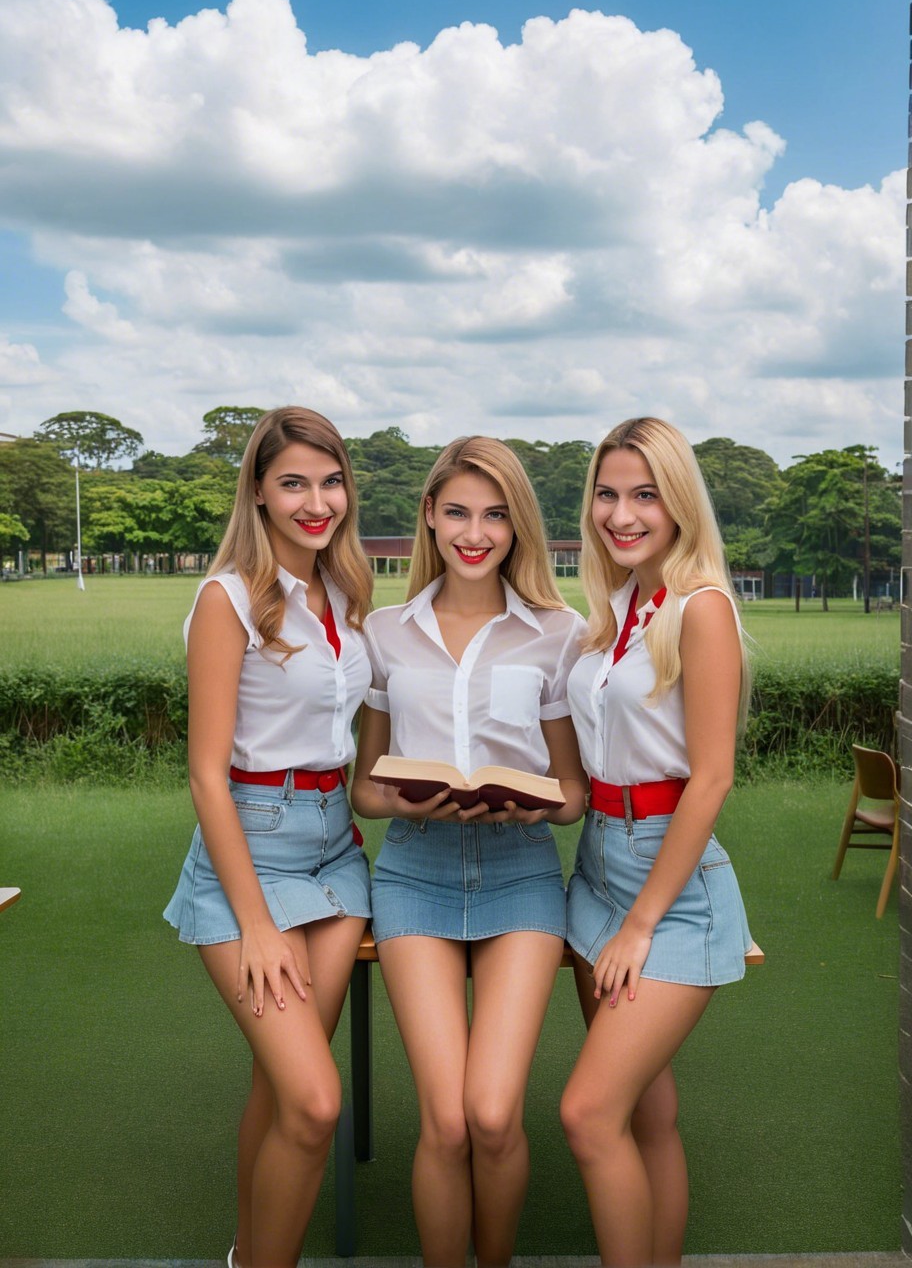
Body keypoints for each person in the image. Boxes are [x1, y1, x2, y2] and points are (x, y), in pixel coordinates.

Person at [352, 436, 588, 1268]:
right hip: (415, 868)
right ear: (429, 516)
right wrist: (419, 794)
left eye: (494, 515)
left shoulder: (559, 635)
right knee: (446, 1121)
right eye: (457, 511)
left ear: (518, 526)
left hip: (521, 874)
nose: (474, 532)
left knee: (492, 1114)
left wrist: (520, 803)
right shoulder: (385, 631)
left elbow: (573, 796)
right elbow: (365, 789)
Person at [163, 406, 374, 1268]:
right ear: (257, 490)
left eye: (329, 482)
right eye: (293, 482)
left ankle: (246, 1251)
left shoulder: (344, 591)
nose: (315, 501)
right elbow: (207, 774)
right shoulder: (227, 599)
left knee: (284, 1086)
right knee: (318, 1102)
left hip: (338, 849)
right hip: (249, 849)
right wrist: (253, 921)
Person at [560, 416, 753, 1268]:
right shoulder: (617, 609)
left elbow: (709, 780)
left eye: (645, 495)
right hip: (595, 865)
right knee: (646, 1112)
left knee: (587, 1113)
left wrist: (642, 922)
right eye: (607, 494)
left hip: (663, 889)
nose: (622, 514)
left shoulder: (700, 608)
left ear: (680, 504)